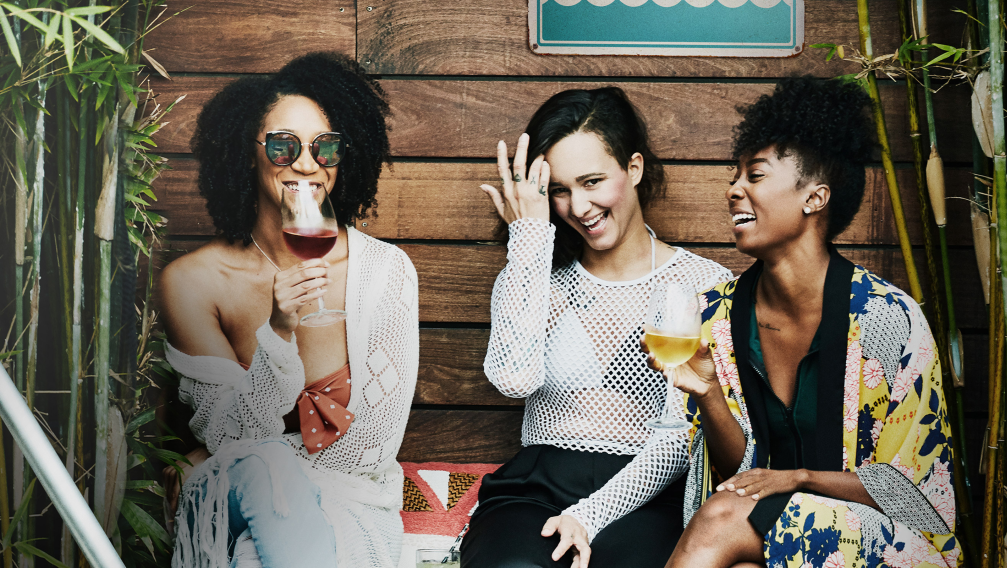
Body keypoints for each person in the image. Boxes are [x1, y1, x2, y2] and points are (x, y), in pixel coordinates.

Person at [650, 77, 961, 568]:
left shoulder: (888, 319)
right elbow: (735, 480)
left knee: (725, 518)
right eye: (734, 177)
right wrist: (707, 393)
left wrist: (798, 478)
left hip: (893, 547)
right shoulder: (714, 316)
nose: (733, 190)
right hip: (757, 534)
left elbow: (919, 498)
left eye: (754, 175)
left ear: (815, 198)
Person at [461, 87, 746, 568]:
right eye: (560, 190)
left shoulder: (703, 284)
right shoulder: (536, 277)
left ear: (633, 168)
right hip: (535, 490)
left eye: (592, 181)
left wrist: (590, 515)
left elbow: (681, 438)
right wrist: (528, 237)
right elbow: (513, 379)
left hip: (647, 498)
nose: (578, 206)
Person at [158, 52, 418, 568]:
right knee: (259, 469)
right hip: (230, 501)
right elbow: (235, 445)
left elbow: (371, 447)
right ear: (245, 154)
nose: (306, 164)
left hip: (352, 502)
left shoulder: (386, 272)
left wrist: (210, 455)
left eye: (326, 147)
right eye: (283, 146)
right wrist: (277, 331)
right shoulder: (192, 283)